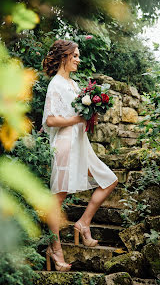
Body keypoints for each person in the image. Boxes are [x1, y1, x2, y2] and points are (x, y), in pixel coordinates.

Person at [42, 39, 118, 272]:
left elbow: (79, 113)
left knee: (109, 179)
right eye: (74, 55)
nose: (78, 59)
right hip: (65, 145)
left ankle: (83, 223)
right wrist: (77, 119)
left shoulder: (73, 85)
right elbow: (50, 120)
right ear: (64, 57)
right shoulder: (55, 84)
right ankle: (55, 249)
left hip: (80, 143)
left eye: (78, 55)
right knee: (57, 200)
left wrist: (90, 113)